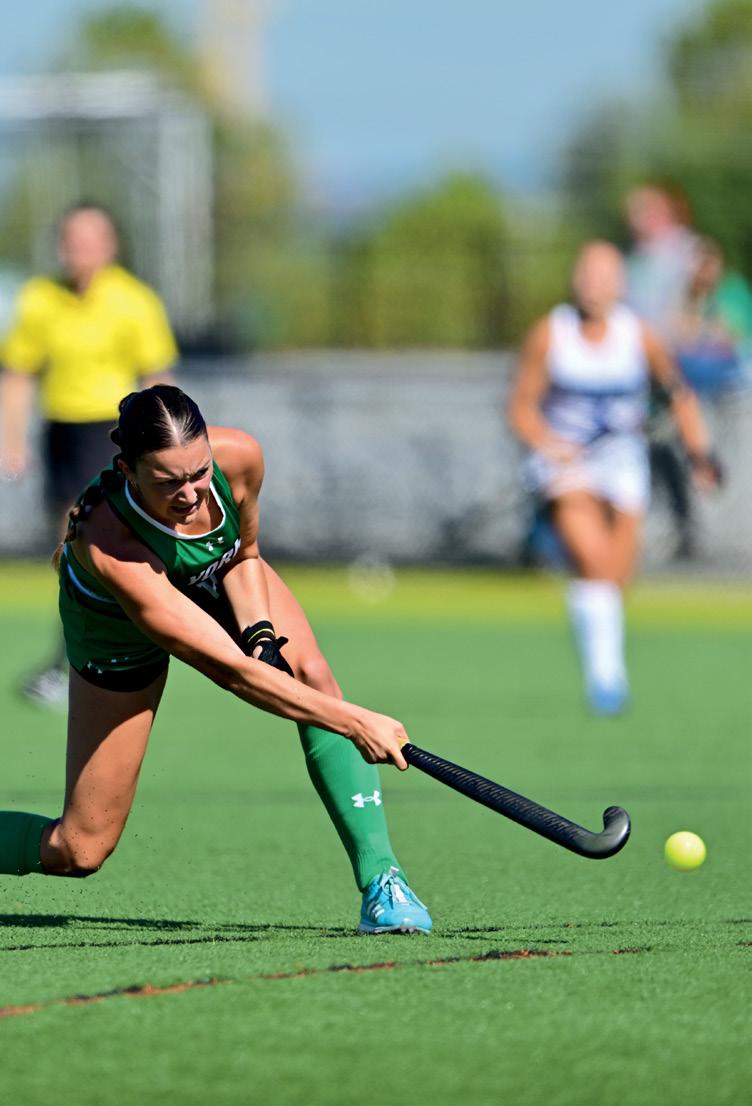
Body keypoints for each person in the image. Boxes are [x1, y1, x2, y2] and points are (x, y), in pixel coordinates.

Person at [0, 384, 432, 934]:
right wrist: (356, 722)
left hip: (208, 575)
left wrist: (261, 633)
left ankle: (382, 880)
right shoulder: (111, 543)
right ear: (127, 470)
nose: (190, 495)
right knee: (80, 848)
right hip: (115, 633)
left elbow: (243, 555)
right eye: (168, 482)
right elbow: (230, 670)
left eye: (199, 473)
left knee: (313, 674)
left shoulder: (240, 457)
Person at [508, 241, 719, 715]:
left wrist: (700, 455)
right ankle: (606, 677)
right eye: (586, 275)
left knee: (615, 579)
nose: (594, 286)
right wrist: (549, 443)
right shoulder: (551, 334)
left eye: (604, 277)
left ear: (620, 284)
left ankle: (604, 664)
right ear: (574, 280)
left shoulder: (638, 335)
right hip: (567, 465)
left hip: (623, 461)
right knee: (594, 559)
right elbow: (520, 407)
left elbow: (678, 394)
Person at [0, 202, 177, 707]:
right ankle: (78, 658)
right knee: (69, 553)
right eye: (71, 239)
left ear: (110, 244)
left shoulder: (135, 301)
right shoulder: (40, 298)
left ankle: (84, 662)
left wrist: (163, 448)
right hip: (62, 433)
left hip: (113, 433)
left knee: (99, 548)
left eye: (90, 238)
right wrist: (11, 440)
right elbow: (17, 373)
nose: (79, 249)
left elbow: (158, 378)